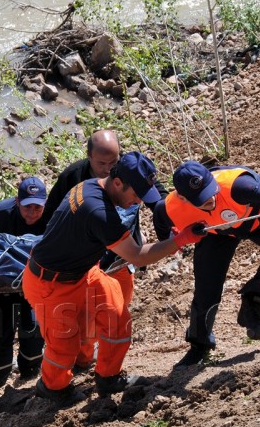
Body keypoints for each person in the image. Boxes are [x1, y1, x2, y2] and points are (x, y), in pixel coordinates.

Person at [23, 152, 205, 403]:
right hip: (49, 282)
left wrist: (172, 237)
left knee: (117, 317)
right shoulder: (97, 210)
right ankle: (52, 388)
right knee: (63, 345)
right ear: (118, 183)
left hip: (83, 272)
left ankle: (108, 377)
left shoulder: (90, 186)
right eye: (137, 194)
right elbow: (137, 256)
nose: (139, 201)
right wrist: (180, 240)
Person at [152, 162, 260, 368]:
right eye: (202, 199)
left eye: (210, 191)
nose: (210, 199)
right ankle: (199, 346)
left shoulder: (237, 186)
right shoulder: (170, 207)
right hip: (217, 232)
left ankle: (252, 301)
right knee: (207, 288)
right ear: (183, 198)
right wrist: (174, 238)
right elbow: (161, 224)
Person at [41, 130, 167, 371]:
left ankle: (108, 361)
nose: (109, 169)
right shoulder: (73, 177)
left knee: (119, 308)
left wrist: (163, 210)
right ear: (88, 157)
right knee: (86, 317)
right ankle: (84, 360)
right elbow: (51, 218)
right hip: (87, 263)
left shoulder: (128, 172)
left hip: (121, 257)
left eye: (114, 162)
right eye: (102, 163)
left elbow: (155, 192)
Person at [0, 176, 48, 388]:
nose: (33, 213)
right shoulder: (0, 215)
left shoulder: (52, 215)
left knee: (35, 332)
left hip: (35, 284)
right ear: (17, 202)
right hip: (3, 287)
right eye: (27, 207)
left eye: (38, 207)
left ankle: (29, 377)